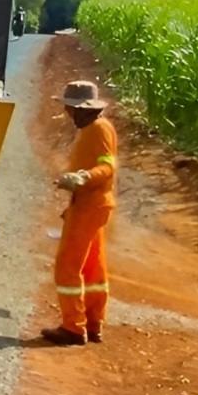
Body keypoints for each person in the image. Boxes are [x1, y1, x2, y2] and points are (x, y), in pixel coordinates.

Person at [43, 77, 118, 346]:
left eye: (70, 108)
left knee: (67, 266)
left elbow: (107, 166)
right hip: (91, 204)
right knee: (92, 268)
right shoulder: (95, 128)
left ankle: (73, 327)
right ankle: (93, 323)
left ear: (82, 108)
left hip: (89, 206)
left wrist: (83, 177)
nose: (67, 112)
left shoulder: (98, 129)